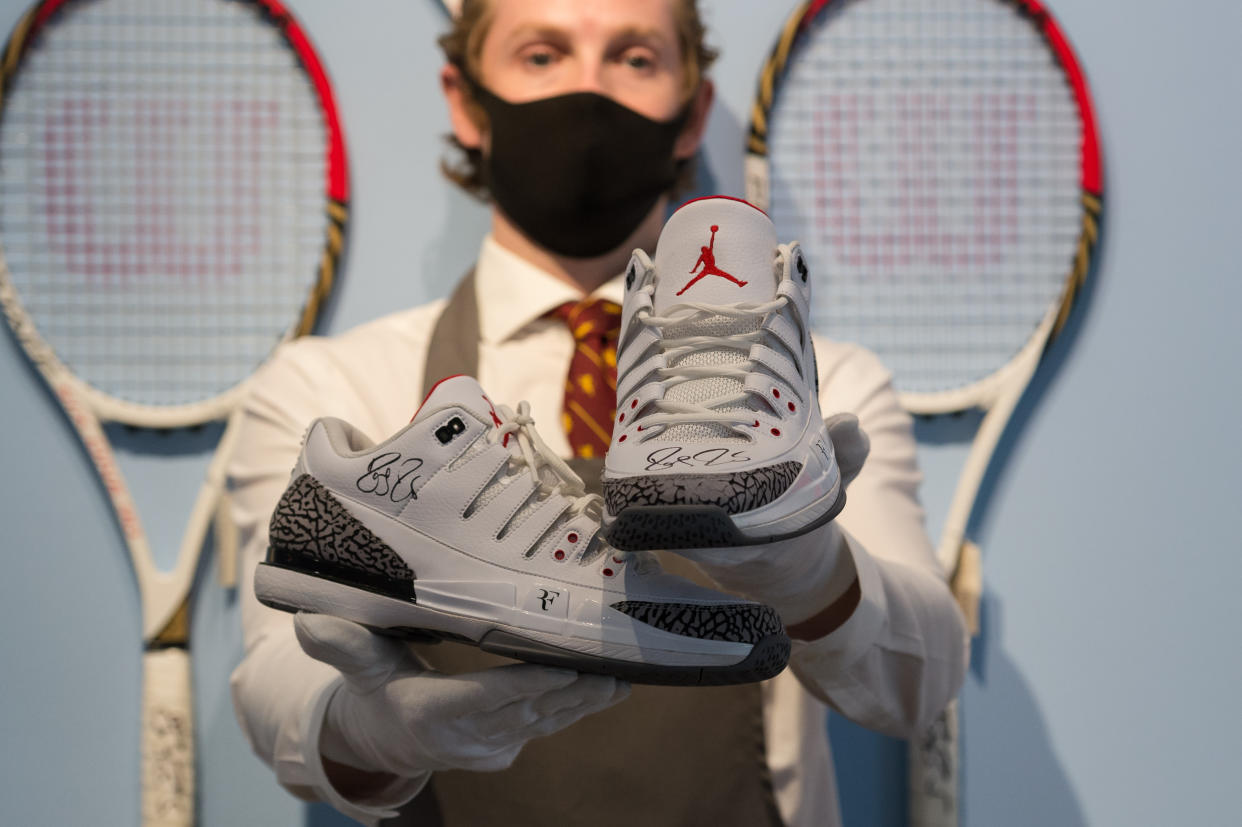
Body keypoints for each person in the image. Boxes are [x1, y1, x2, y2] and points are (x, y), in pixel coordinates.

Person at [227, 1, 970, 824]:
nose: (589, 91)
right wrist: (374, 733)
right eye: (542, 55)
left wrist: (805, 569)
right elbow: (272, 678)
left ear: (691, 114)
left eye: (635, 58)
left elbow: (922, 685)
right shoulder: (335, 383)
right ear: (467, 101)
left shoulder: (815, 388)